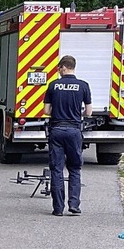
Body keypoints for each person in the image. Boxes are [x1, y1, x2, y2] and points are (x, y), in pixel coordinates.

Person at [43, 55, 92, 216]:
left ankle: (58, 208)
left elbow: (46, 111)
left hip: (56, 130)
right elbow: (88, 112)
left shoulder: (53, 86)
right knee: (75, 168)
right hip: (74, 131)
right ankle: (74, 205)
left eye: (59, 68)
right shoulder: (83, 86)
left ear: (63, 67)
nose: (58, 71)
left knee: (56, 169)